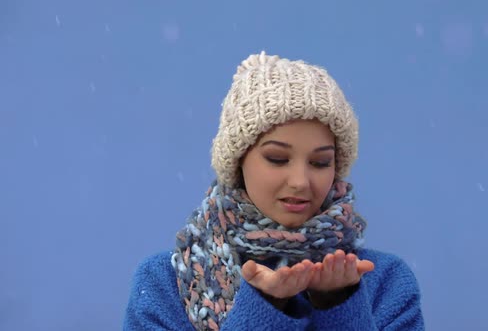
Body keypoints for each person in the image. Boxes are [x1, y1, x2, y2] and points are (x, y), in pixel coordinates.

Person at [124, 52, 425, 330]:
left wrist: (340, 305)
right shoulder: (163, 285)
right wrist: (263, 308)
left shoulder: (386, 284)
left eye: (320, 162)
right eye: (277, 158)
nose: (300, 181)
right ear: (238, 161)